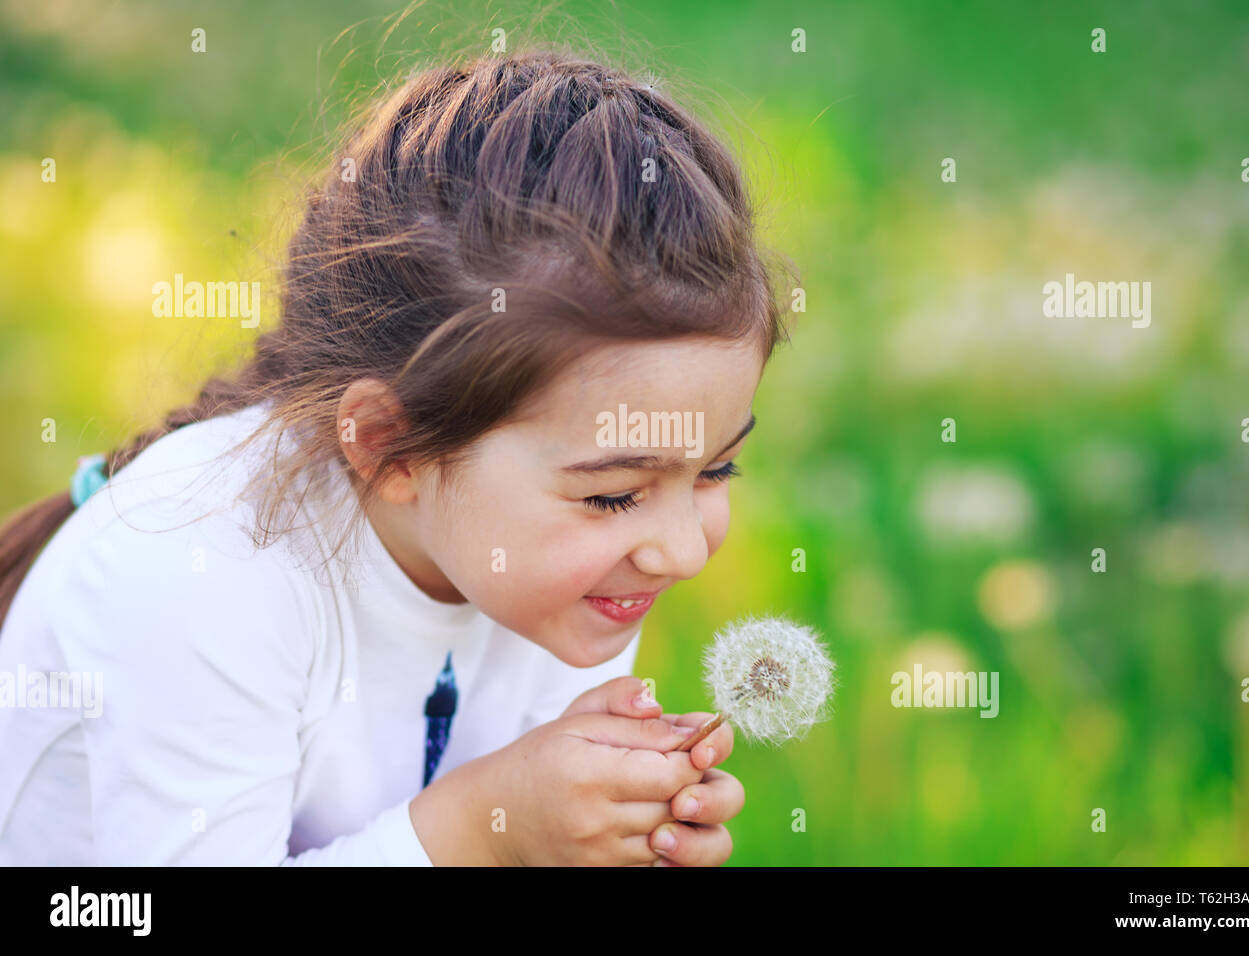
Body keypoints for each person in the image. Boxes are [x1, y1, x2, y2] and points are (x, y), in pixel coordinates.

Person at [0, 48, 795, 865]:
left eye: (713, 472)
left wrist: (605, 831)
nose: (685, 550)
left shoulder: (558, 578)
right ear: (389, 446)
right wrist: (489, 831)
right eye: (613, 496)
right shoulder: (200, 567)